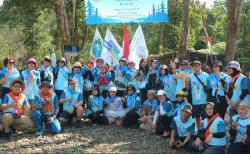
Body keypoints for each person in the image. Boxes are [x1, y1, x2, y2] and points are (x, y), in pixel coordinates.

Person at [185, 60, 209, 128]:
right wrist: (186, 83)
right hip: (195, 100)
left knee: (205, 116)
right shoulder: (190, 76)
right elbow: (188, 88)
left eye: (196, 66)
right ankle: (198, 129)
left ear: (200, 66)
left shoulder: (206, 75)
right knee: (197, 116)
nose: (195, 67)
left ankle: (205, 129)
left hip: (204, 99)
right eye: (193, 66)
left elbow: (209, 87)